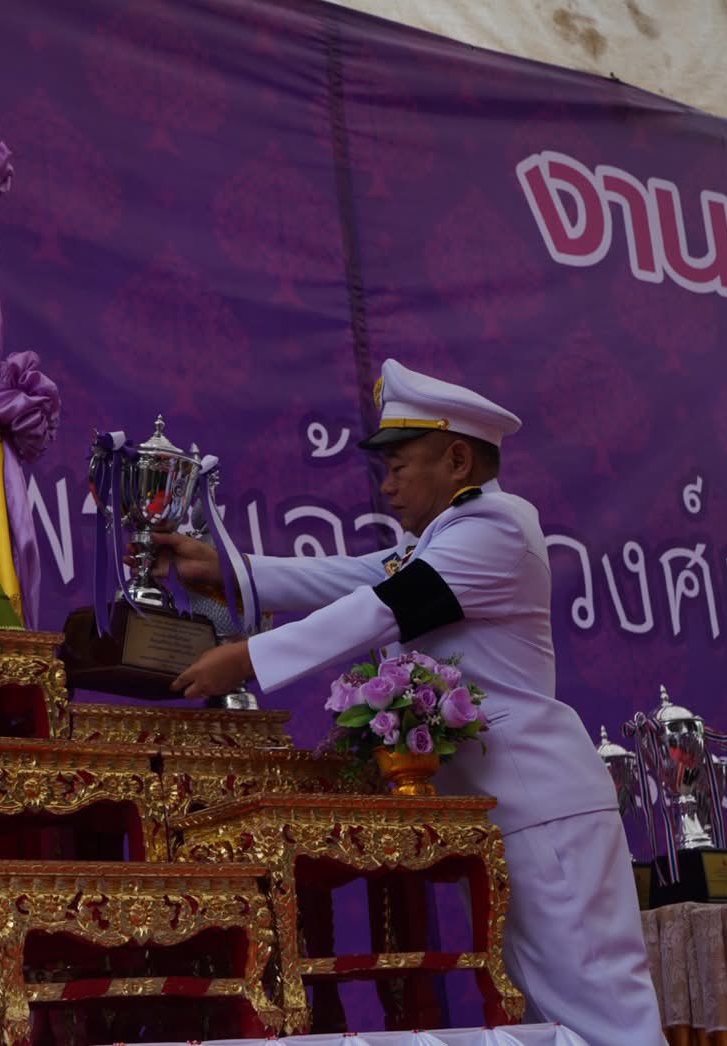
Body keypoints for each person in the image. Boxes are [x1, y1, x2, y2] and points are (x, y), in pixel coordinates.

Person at [158, 358, 665, 1045]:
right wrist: (230, 571)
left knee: (605, 1017)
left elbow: (382, 606)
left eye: (399, 466)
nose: (387, 485)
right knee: (563, 1020)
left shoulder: (495, 526)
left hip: (543, 807)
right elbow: (353, 577)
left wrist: (248, 658)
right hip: (514, 811)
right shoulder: (443, 536)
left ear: (457, 460)